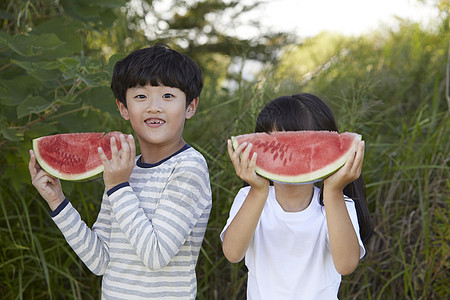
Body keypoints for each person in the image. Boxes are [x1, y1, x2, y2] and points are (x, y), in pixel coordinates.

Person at [29, 45, 212, 299]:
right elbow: (100, 262)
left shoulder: (189, 167)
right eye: (140, 97)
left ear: (190, 107)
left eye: (168, 96)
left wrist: (117, 187)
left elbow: (156, 255)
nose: (154, 107)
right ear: (123, 108)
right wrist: (57, 201)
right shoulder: (124, 169)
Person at [221, 93, 373, 299]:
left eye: (298, 147)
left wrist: (334, 191)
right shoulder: (249, 197)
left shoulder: (337, 203)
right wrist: (257, 191)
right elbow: (232, 253)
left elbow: (346, 264)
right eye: (273, 146)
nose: (287, 155)